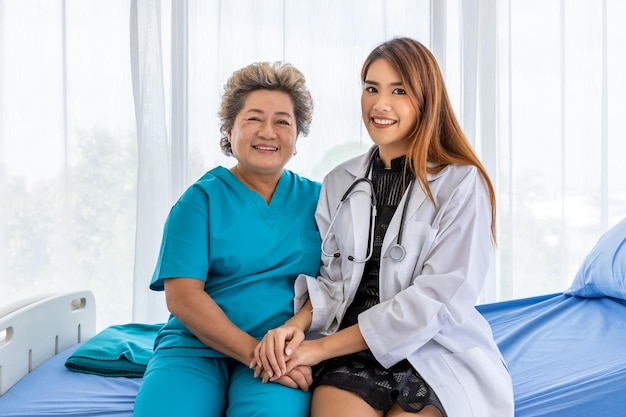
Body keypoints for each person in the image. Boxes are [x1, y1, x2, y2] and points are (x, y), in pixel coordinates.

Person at [251, 38, 515, 417]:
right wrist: (295, 328)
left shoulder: (461, 183)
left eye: (399, 91)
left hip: (433, 348)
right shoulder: (339, 182)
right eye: (371, 88)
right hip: (351, 349)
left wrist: (318, 349)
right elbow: (334, 280)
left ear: (426, 99)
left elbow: (435, 300)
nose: (380, 104)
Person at [133, 61, 322, 417]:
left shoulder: (321, 201)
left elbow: (337, 285)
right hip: (196, 347)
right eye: (254, 118)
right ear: (228, 128)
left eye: (283, 121)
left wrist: (281, 351)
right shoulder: (199, 201)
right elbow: (183, 297)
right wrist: (256, 354)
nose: (268, 131)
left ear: (297, 136)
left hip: (281, 349)